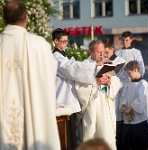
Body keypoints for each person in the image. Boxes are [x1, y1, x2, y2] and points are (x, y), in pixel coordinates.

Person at [0, 1, 60, 149]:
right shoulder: (40, 45)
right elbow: (50, 76)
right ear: (26, 18)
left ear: (3, 19)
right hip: (34, 118)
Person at [52, 29, 107, 150]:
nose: (66, 44)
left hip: (70, 101)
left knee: (71, 136)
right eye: (63, 41)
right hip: (63, 101)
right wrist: (95, 66)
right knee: (66, 138)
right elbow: (72, 68)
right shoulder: (56, 57)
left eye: (67, 41)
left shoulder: (63, 56)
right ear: (56, 41)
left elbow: (75, 72)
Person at [75, 40, 121, 150]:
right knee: (91, 137)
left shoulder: (107, 64)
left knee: (107, 136)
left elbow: (117, 82)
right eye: (99, 52)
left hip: (105, 108)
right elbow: (78, 89)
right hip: (91, 108)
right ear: (91, 52)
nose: (102, 55)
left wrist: (110, 83)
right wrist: (96, 83)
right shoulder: (84, 66)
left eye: (103, 52)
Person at [103, 38, 129, 150]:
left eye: (107, 52)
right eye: (103, 53)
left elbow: (125, 80)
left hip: (117, 95)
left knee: (118, 126)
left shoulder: (120, 61)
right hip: (105, 95)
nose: (105, 55)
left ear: (112, 49)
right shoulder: (102, 61)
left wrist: (112, 81)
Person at [120, 61, 148, 150]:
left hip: (140, 120)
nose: (128, 75)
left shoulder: (143, 84)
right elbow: (123, 97)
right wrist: (124, 108)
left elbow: (140, 100)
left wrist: (129, 109)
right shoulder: (128, 84)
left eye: (129, 73)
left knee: (139, 145)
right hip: (128, 118)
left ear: (135, 70)